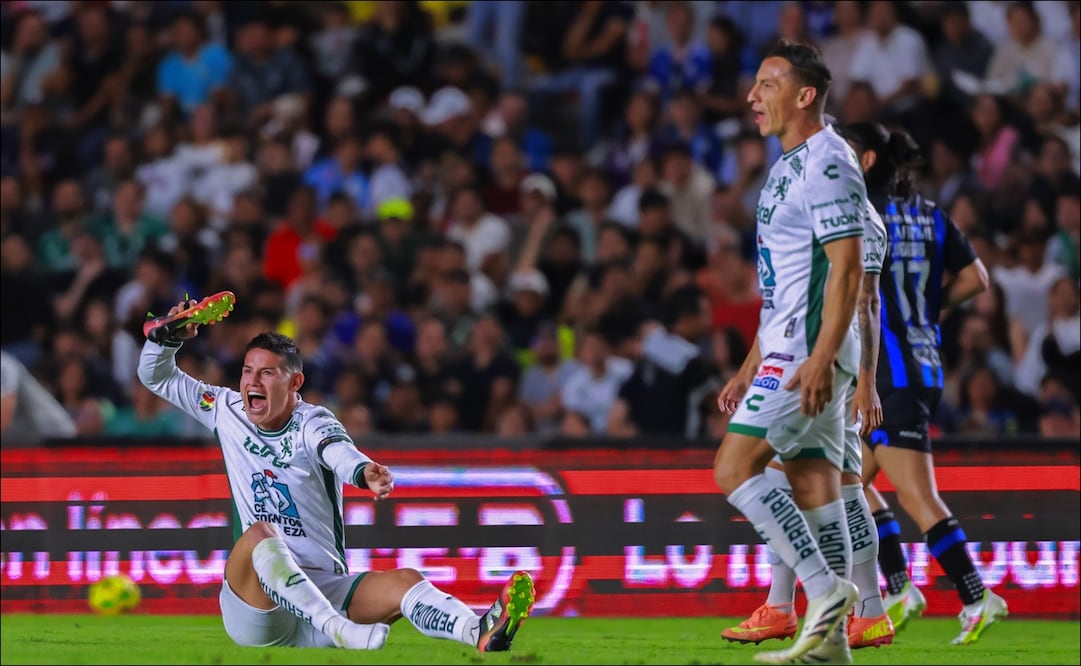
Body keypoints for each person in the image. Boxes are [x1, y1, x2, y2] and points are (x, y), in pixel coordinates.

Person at [138, 300, 534, 651]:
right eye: (247, 371)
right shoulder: (225, 409)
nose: (252, 383)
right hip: (257, 610)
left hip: (324, 590)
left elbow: (339, 454)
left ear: (295, 383)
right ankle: (338, 630)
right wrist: (166, 339)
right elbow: (156, 376)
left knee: (404, 581)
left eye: (267, 374)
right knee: (260, 533)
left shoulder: (312, 422)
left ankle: (479, 630)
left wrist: (364, 473)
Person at [712, 41, 865, 664]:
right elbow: (784, 286)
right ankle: (831, 650)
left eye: (767, 85)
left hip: (808, 352)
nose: (752, 97)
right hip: (790, 345)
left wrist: (821, 358)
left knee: (734, 468)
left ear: (804, 95)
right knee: (813, 487)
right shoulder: (785, 167)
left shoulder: (829, 162)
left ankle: (825, 592)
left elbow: (847, 270)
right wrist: (748, 365)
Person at [722, 120, 892, 651]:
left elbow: (864, 301)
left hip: (820, 358)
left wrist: (865, 379)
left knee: (770, 469)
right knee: (834, 484)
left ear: (861, 164)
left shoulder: (858, 215)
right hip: (812, 352)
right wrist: (749, 365)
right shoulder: (810, 190)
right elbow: (786, 292)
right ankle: (860, 615)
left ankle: (801, 600)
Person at [856, 128, 1007, 645]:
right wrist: (926, 313)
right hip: (923, 360)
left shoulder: (866, 214)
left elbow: (859, 294)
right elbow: (977, 279)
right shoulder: (931, 216)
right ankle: (900, 587)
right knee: (845, 479)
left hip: (891, 375)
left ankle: (976, 595)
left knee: (919, 498)